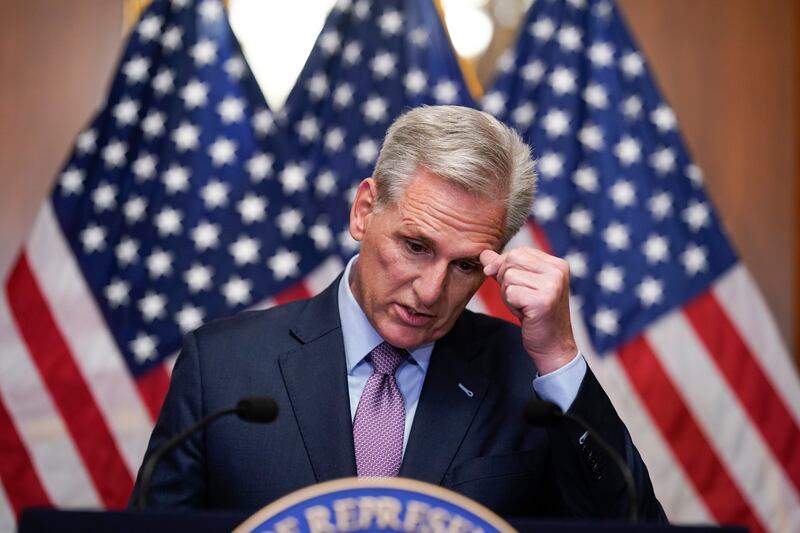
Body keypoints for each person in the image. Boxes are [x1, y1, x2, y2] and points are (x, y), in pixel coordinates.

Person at [131, 105, 665, 521]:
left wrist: (558, 356)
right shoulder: (222, 368)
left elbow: (634, 528)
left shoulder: (528, 377)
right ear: (364, 211)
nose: (431, 292)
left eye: (464, 267)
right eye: (415, 246)